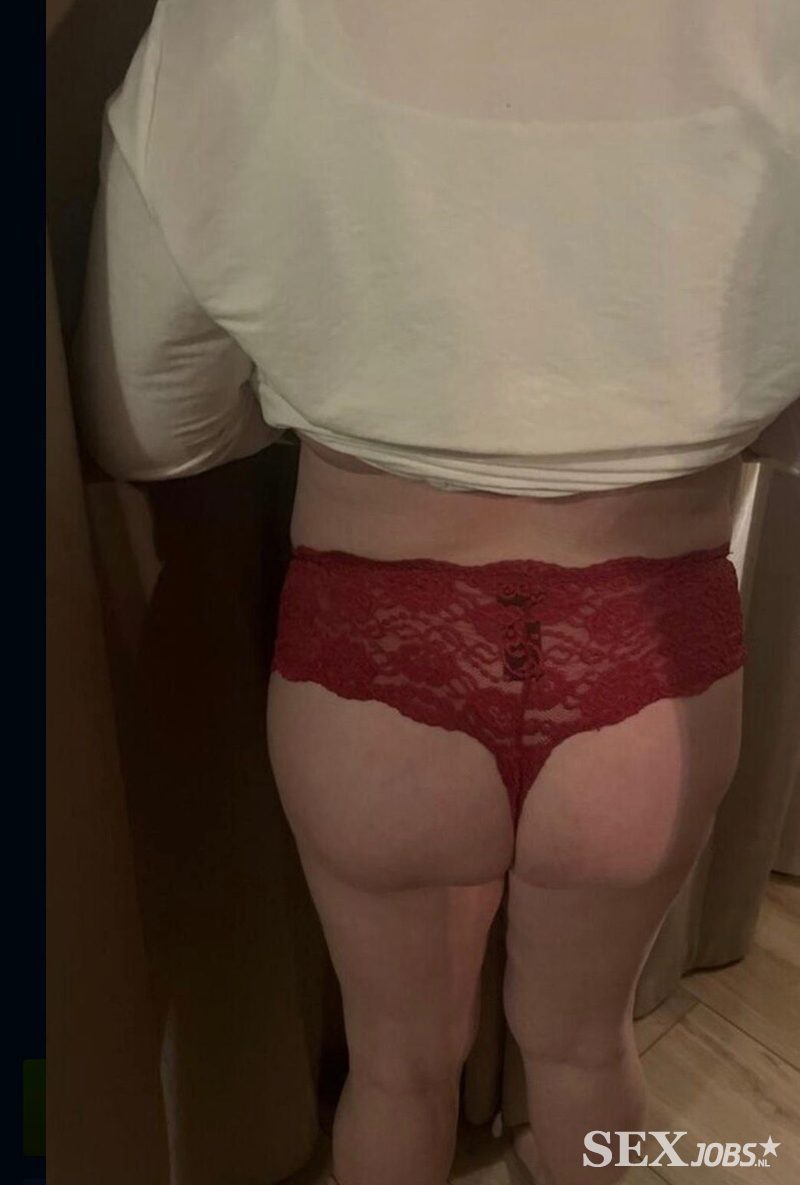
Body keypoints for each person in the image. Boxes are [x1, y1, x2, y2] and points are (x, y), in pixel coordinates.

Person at [73, 3, 800, 1183]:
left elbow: (146, 425)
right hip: (647, 653)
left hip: (371, 648)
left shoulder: (231, 27)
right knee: (585, 1051)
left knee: (395, 1073)